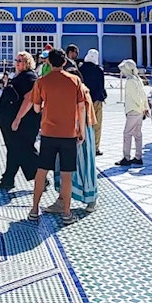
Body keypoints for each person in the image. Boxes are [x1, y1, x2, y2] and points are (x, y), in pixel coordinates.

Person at [12, 48, 86, 225]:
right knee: (67, 174)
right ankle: (66, 213)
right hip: (68, 134)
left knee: (41, 171)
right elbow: (81, 107)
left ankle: (34, 210)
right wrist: (81, 130)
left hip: (48, 133)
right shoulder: (75, 80)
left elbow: (36, 107)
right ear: (65, 62)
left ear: (48, 62)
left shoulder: (42, 82)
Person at [46, 75, 98, 213]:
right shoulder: (72, 90)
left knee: (82, 165)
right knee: (66, 166)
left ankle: (90, 198)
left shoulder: (81, 91)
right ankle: (62, 199)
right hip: (68, 132)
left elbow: (83, 111)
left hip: (80, 132)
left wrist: (81, 131)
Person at [0, 51, 41, 190]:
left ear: (28, 62)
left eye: (21, 60)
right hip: (10, 120)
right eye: (17, 60)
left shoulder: (29, 77)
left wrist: (17, 119)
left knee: (24, 149)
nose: (18, 62)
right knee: (13, 149)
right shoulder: (18, 76)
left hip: (24, 122)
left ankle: (40, 176)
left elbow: (29, 99)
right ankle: (8, 178)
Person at [115, 59, 149, 167]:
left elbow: (135, 97)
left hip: (133, 110)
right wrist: (145, 107)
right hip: (139, 110)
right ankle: (138, 157)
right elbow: (143, 95)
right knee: (138, 134)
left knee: (127, 133)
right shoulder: (137, 78)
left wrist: (140, 107)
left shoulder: (130, 80)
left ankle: (126, 157)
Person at [79, 48, 106, 156]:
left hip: (84, 99)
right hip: (96, 100)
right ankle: (95, 147)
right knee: (97, 124)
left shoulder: (81, 68)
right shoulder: (99, 70)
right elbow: (101, 86)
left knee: (84, 123)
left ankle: (84, 144)